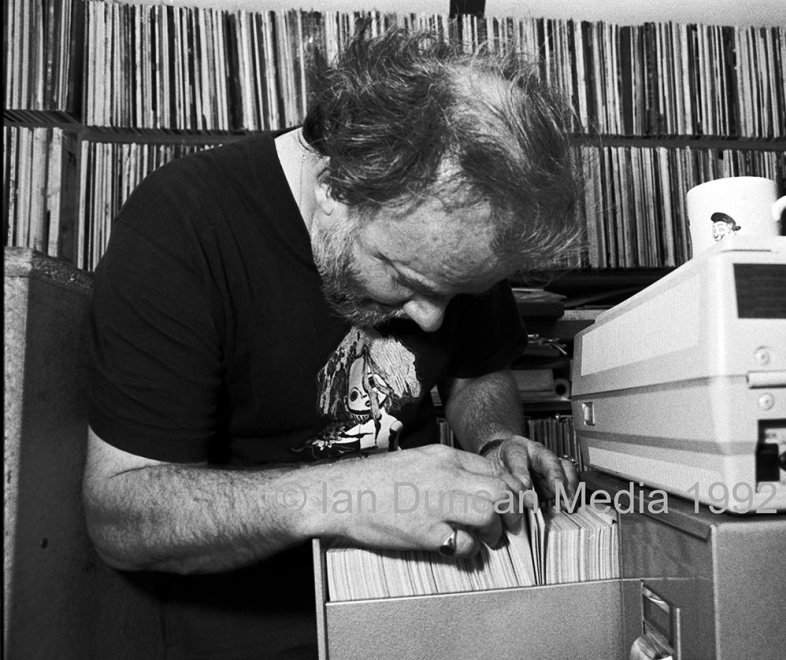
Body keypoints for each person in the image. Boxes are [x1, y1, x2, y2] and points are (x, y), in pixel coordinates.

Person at [83, 26, 582, 659]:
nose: (432, 322)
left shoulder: (454, 237)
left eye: (457, 296)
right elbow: (119, 514)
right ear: (335, 185)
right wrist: (346, 495)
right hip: (255, 621)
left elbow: (475, 372)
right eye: (407, 280)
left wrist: (495, 439)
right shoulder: (181, 226)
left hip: (425, 593)